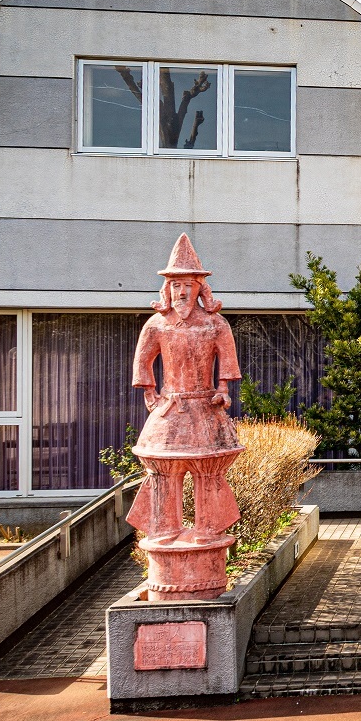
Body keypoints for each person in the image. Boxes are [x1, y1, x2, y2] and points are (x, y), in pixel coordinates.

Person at [124, 234, 243, 549]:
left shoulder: (216, 324)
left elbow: (228, 361)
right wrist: (149, 390)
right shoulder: (156, 324)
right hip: (169, 408)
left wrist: (223, 389)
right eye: (176, 286)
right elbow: (143, 359)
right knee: (163, 468)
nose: (182, 292)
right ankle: (163, 530)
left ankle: (209, 530)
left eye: (188, 285)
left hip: (204, 407)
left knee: (208, 470)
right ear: (167, 289)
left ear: (200, 289)